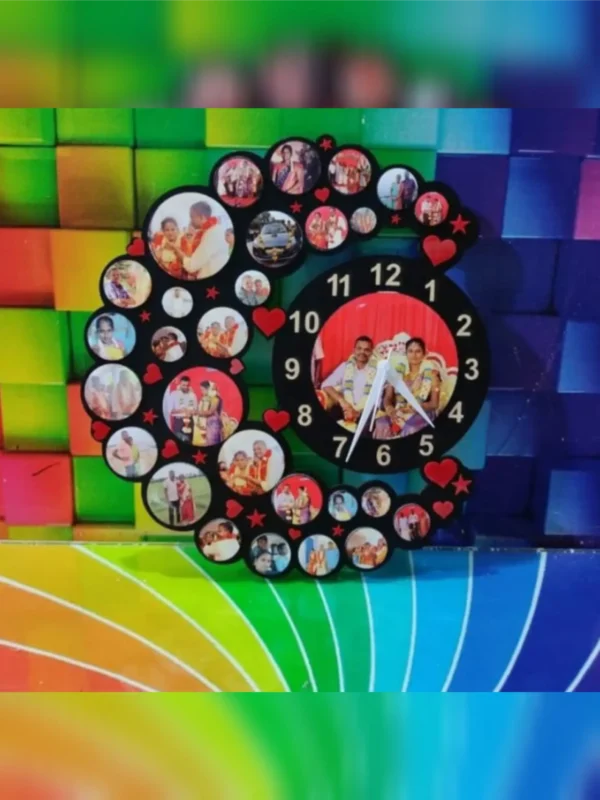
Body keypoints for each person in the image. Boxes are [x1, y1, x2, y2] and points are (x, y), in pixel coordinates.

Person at [321, 336, 390, 438]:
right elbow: (325, 385)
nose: (362, 352)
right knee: (328, 416)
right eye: (359, 348)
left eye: (366, 350)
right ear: (354, 350)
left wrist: (357, 413)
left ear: (371, 352)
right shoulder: (345, 366)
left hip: (367, 411)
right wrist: (343, 402)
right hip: (346, 407)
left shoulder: (379, 370)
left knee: (367, 421)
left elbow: (378, 399)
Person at [384, 337, 441, 437]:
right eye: (410, 351)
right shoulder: (396, 372)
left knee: (410, 427)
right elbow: (388, 397)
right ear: (406, 353)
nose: (414, 355)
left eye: (418, 351)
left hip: (421, 412)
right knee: (382, 424)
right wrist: (390, 409)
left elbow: (434, 404)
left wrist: (414, 407)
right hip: (398, 410)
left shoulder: (432, 374)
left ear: (424, 354)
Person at [168, 375, 198, 443]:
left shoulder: (193, 395)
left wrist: (192, 411)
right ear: (180, 384)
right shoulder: (174, 394)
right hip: (178, 421)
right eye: (183, 385)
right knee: (178, 442)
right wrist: (182, 410)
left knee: (189, 442)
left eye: (187, 385)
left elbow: (195, 410)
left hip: (190, 421)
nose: (185, 387)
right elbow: (170, 410)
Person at [194, 380, 224, 446]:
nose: (201, 392)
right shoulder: (206, 398)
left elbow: (210, 412)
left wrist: (197, 412)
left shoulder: (215, 398)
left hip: (214, 423)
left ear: (208, 389)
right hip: (208, 423)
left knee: (212, 443)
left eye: (203, 390)